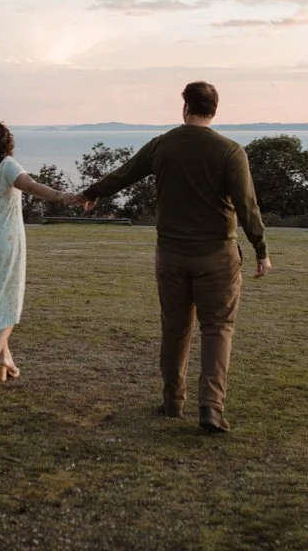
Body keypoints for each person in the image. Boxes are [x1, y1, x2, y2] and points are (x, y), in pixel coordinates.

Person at [79, 82, 269, 433]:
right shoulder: (230, 151)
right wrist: (260, 249)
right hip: (217, 256)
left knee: (175, 328)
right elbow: (247, 205)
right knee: (217, 329)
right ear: (215, 109)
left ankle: (172, 401)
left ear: (185, 108)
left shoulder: (161, 146)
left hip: (170, 255)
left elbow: (124, 173)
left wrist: (92, 192)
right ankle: (211, 409)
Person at [0, 119, 80, 391]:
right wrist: (64, 197)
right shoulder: (7, 166)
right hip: (5, 240)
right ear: (6, 144)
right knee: (9, 298)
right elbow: (31, 186)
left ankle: (6, 364)